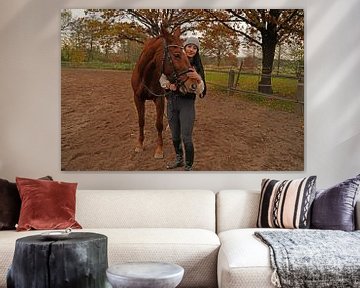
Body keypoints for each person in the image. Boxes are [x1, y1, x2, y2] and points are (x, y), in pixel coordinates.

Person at [159, 36, 207, 171]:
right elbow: (162, 78)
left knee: (186, 136)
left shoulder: (196, 67)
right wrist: (168, 85)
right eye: (189, 46)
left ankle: (188, 165)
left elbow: (200, 91)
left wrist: (198, 79)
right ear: (184, 47)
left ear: (197, 51)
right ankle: (179, 159)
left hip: (187, 104)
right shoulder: (174, 61)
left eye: (195, 48)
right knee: (174, 135)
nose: (191, 49)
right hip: (172, 103)